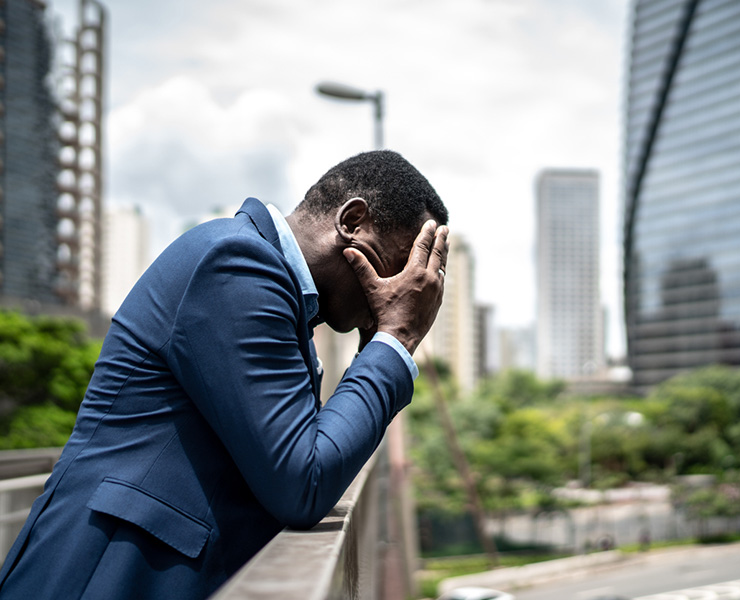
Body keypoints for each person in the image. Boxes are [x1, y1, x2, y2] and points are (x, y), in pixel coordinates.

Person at [0, 150, 449, 600]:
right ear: (352, 221)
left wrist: (380, 342)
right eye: (399, 269)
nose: (401, 294)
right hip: (99, 578)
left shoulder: (279, 295)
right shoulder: (238, 265)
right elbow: (304, 480)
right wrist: (396, 337)